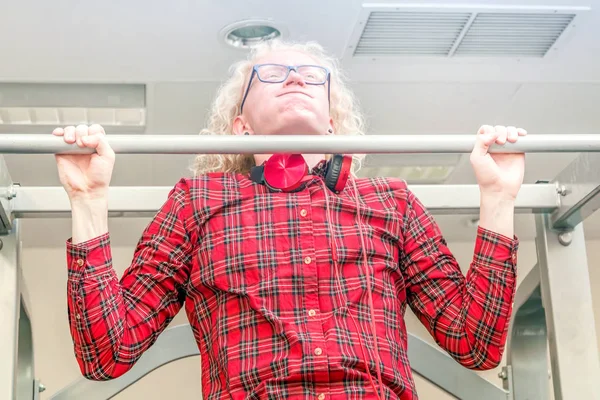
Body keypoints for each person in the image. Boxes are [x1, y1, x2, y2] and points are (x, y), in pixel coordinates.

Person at [53, 40, 525, 400]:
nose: (296, 78)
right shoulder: (198, 202)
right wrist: (88, 199)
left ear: (332, 124)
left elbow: (474, 343)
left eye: (310, 75)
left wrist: (498, 198)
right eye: (273, 73)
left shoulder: (392, 202)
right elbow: (107, 353)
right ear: (242, 126)